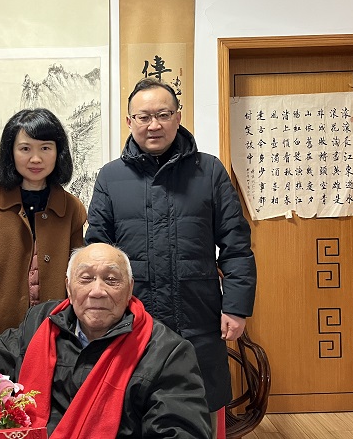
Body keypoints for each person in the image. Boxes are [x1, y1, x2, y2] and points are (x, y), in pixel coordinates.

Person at [85, 78, 257, 436]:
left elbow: (236, 245)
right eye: (144, 116)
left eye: (163, 115)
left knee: (200, 409)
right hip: (132, 319)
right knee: (133, 410)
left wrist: (236, 307)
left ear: (178, 117)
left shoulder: (209, 171)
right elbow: (97, 253)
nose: (154, 124)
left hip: (198, 315)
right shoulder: (111, 177)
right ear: (129, 122)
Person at [0, 243, 211, 439]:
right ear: (69, 287)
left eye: (111, 280)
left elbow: (181, 431)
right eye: (86, 279)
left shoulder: (168, 352)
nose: (97, 291)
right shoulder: (39, 323)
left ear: (130, 288)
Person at [0, 108, 87, 347]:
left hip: (55, 337)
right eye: (25, 149)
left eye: (45, 148)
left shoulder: (72, 208)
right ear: (11, 152)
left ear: (58, 152)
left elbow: (78, 278)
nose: (35, 159)